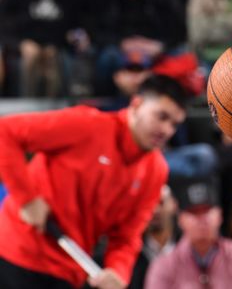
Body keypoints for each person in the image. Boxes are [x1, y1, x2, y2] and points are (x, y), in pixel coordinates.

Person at [0, 75, 187, 289]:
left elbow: (127, 237)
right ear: (137, 104)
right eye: (161, 117)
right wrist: (28, 199)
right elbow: (5, 132)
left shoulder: (156, 171)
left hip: (70, 269)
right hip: (16, 254)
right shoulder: (86, 124)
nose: (167, 130)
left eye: (174, 124)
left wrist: (118, 271)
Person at [144, 176, 232, 289]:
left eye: (207, 211)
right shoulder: (164, 266)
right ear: (181, 220)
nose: (202, 219)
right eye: (194, 213)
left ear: (219, 215)